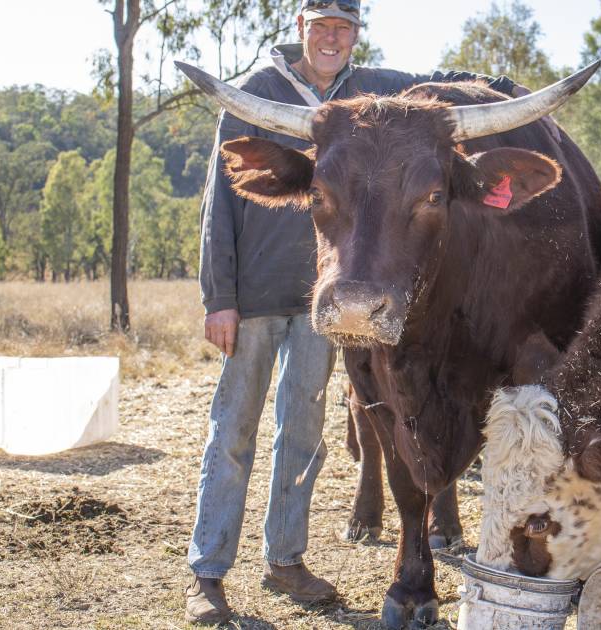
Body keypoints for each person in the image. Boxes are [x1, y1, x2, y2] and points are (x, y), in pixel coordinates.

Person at [185, 1, 527, 623]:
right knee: (234, 430)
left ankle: (284, 558)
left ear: (355, 35)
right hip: (259, 296)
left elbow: (434, 90)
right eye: (320, 27)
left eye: (343, 28)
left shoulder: (368, 89)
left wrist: (504, 91)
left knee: (304, 432)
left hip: (334, 302)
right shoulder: (255, 93)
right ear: (300, 30)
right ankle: (207, 573)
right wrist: (221, 298)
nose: (332, 39)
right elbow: (220, 204)